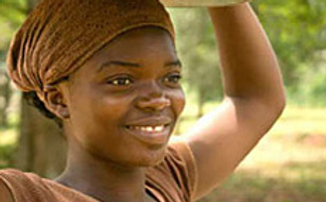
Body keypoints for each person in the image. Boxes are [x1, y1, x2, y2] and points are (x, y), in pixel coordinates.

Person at [0, 0, 286, 201]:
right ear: (57, 98)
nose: (157, 99)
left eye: (170, 78)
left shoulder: (168, 182)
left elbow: (255, 100)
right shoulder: (25, 195)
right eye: (121, 81)